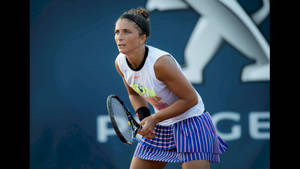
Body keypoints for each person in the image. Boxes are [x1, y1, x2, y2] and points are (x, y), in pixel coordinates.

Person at [114, 7, 227, 169]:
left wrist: (154, 119)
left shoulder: (161, 63)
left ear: (142, 38)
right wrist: (145, 116)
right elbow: (133, 93)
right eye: (117, 32)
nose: (120, 37)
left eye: (126, 32)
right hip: (161, 123)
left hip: (192, 123)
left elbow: (190, 99)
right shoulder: (120, 63)